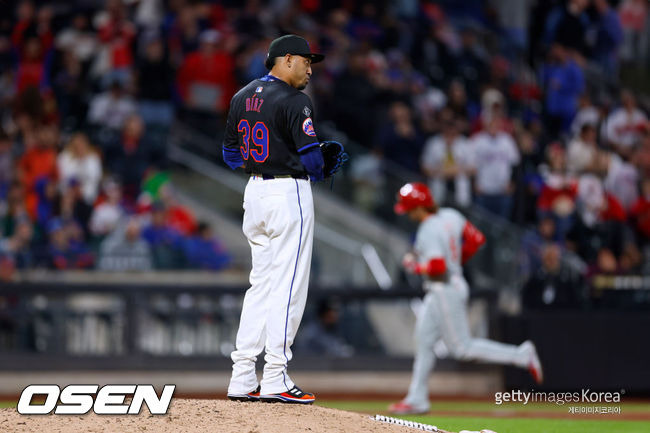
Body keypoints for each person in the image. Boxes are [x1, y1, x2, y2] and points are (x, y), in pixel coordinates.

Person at [221, 34, 325, 405]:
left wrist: (260, 164)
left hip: (255, 194)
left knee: (261, 286)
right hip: (287, 194)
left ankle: (242, 374)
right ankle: (276, 376)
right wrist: (320, 164)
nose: (310, 70)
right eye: (306, 62)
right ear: (286, 59)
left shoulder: (240, 96)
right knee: (288, 287)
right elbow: (313, 163)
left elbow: (230, 155)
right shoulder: (295, 101)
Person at [388, 182, 543, 415]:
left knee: (462, 348)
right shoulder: (451, 214)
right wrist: (458, 262)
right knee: (423, 339)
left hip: (444, 288)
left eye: (409, 208)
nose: (408, 213)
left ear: (418, 207)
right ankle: (417, 398)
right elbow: (476, 239)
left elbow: (437, 267)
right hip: (450, 284)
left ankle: (520, 355)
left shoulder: (427, 229)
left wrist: (415, 266)